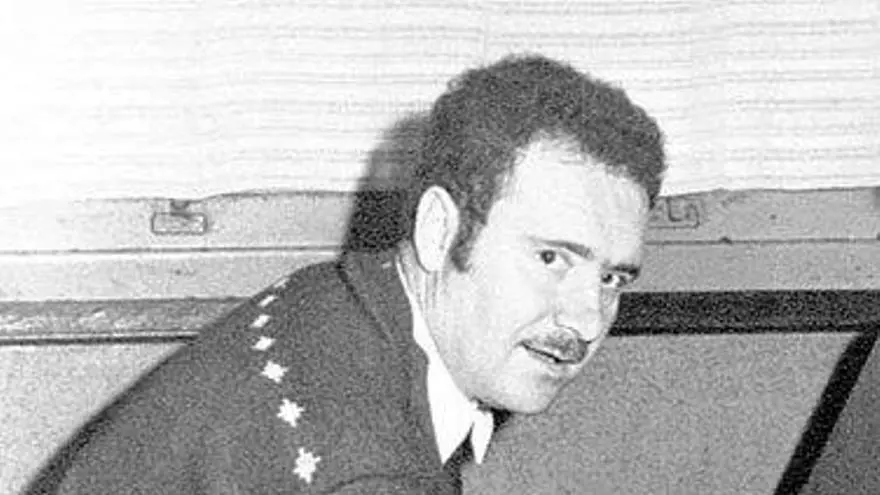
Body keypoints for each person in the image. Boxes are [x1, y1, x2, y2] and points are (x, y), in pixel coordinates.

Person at [24, 53, 666, 494]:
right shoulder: (360, 470)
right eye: (552, 259)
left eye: (613, 278)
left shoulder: (340, 302)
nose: (587, 321)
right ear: (438, 230)